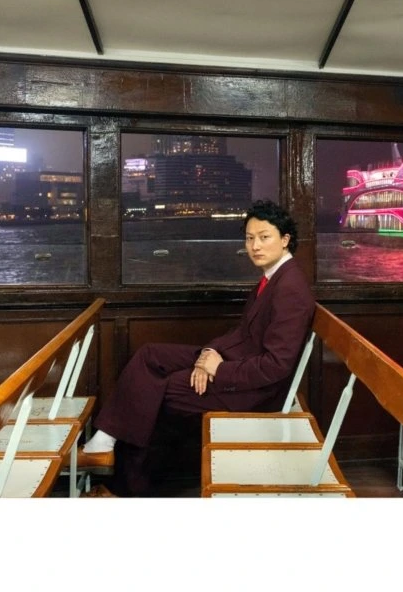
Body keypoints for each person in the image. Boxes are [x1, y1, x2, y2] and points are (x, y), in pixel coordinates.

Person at [78, 199, 315, 495]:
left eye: (264, 237)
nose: (255, 246)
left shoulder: (290, 288)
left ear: (285, 239)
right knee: (150, 355)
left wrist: (219, 369)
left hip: (256, 391)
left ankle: (124, 489)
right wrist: (209, 353)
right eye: (249, 238)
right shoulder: (273, 277)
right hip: (235, 361)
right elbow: (243, 333)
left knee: (157, 392)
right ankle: (104, 440)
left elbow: (276, 367)